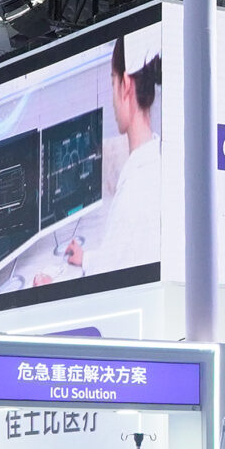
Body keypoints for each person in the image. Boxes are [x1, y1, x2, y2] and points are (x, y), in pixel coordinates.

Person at [54, 37, 164, 283]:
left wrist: (48, 289)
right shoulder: (152, 164)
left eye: (113, 82)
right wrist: (87, 259)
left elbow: (109, 281)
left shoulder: (136, 189)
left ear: (125, 86)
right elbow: (123, 257)